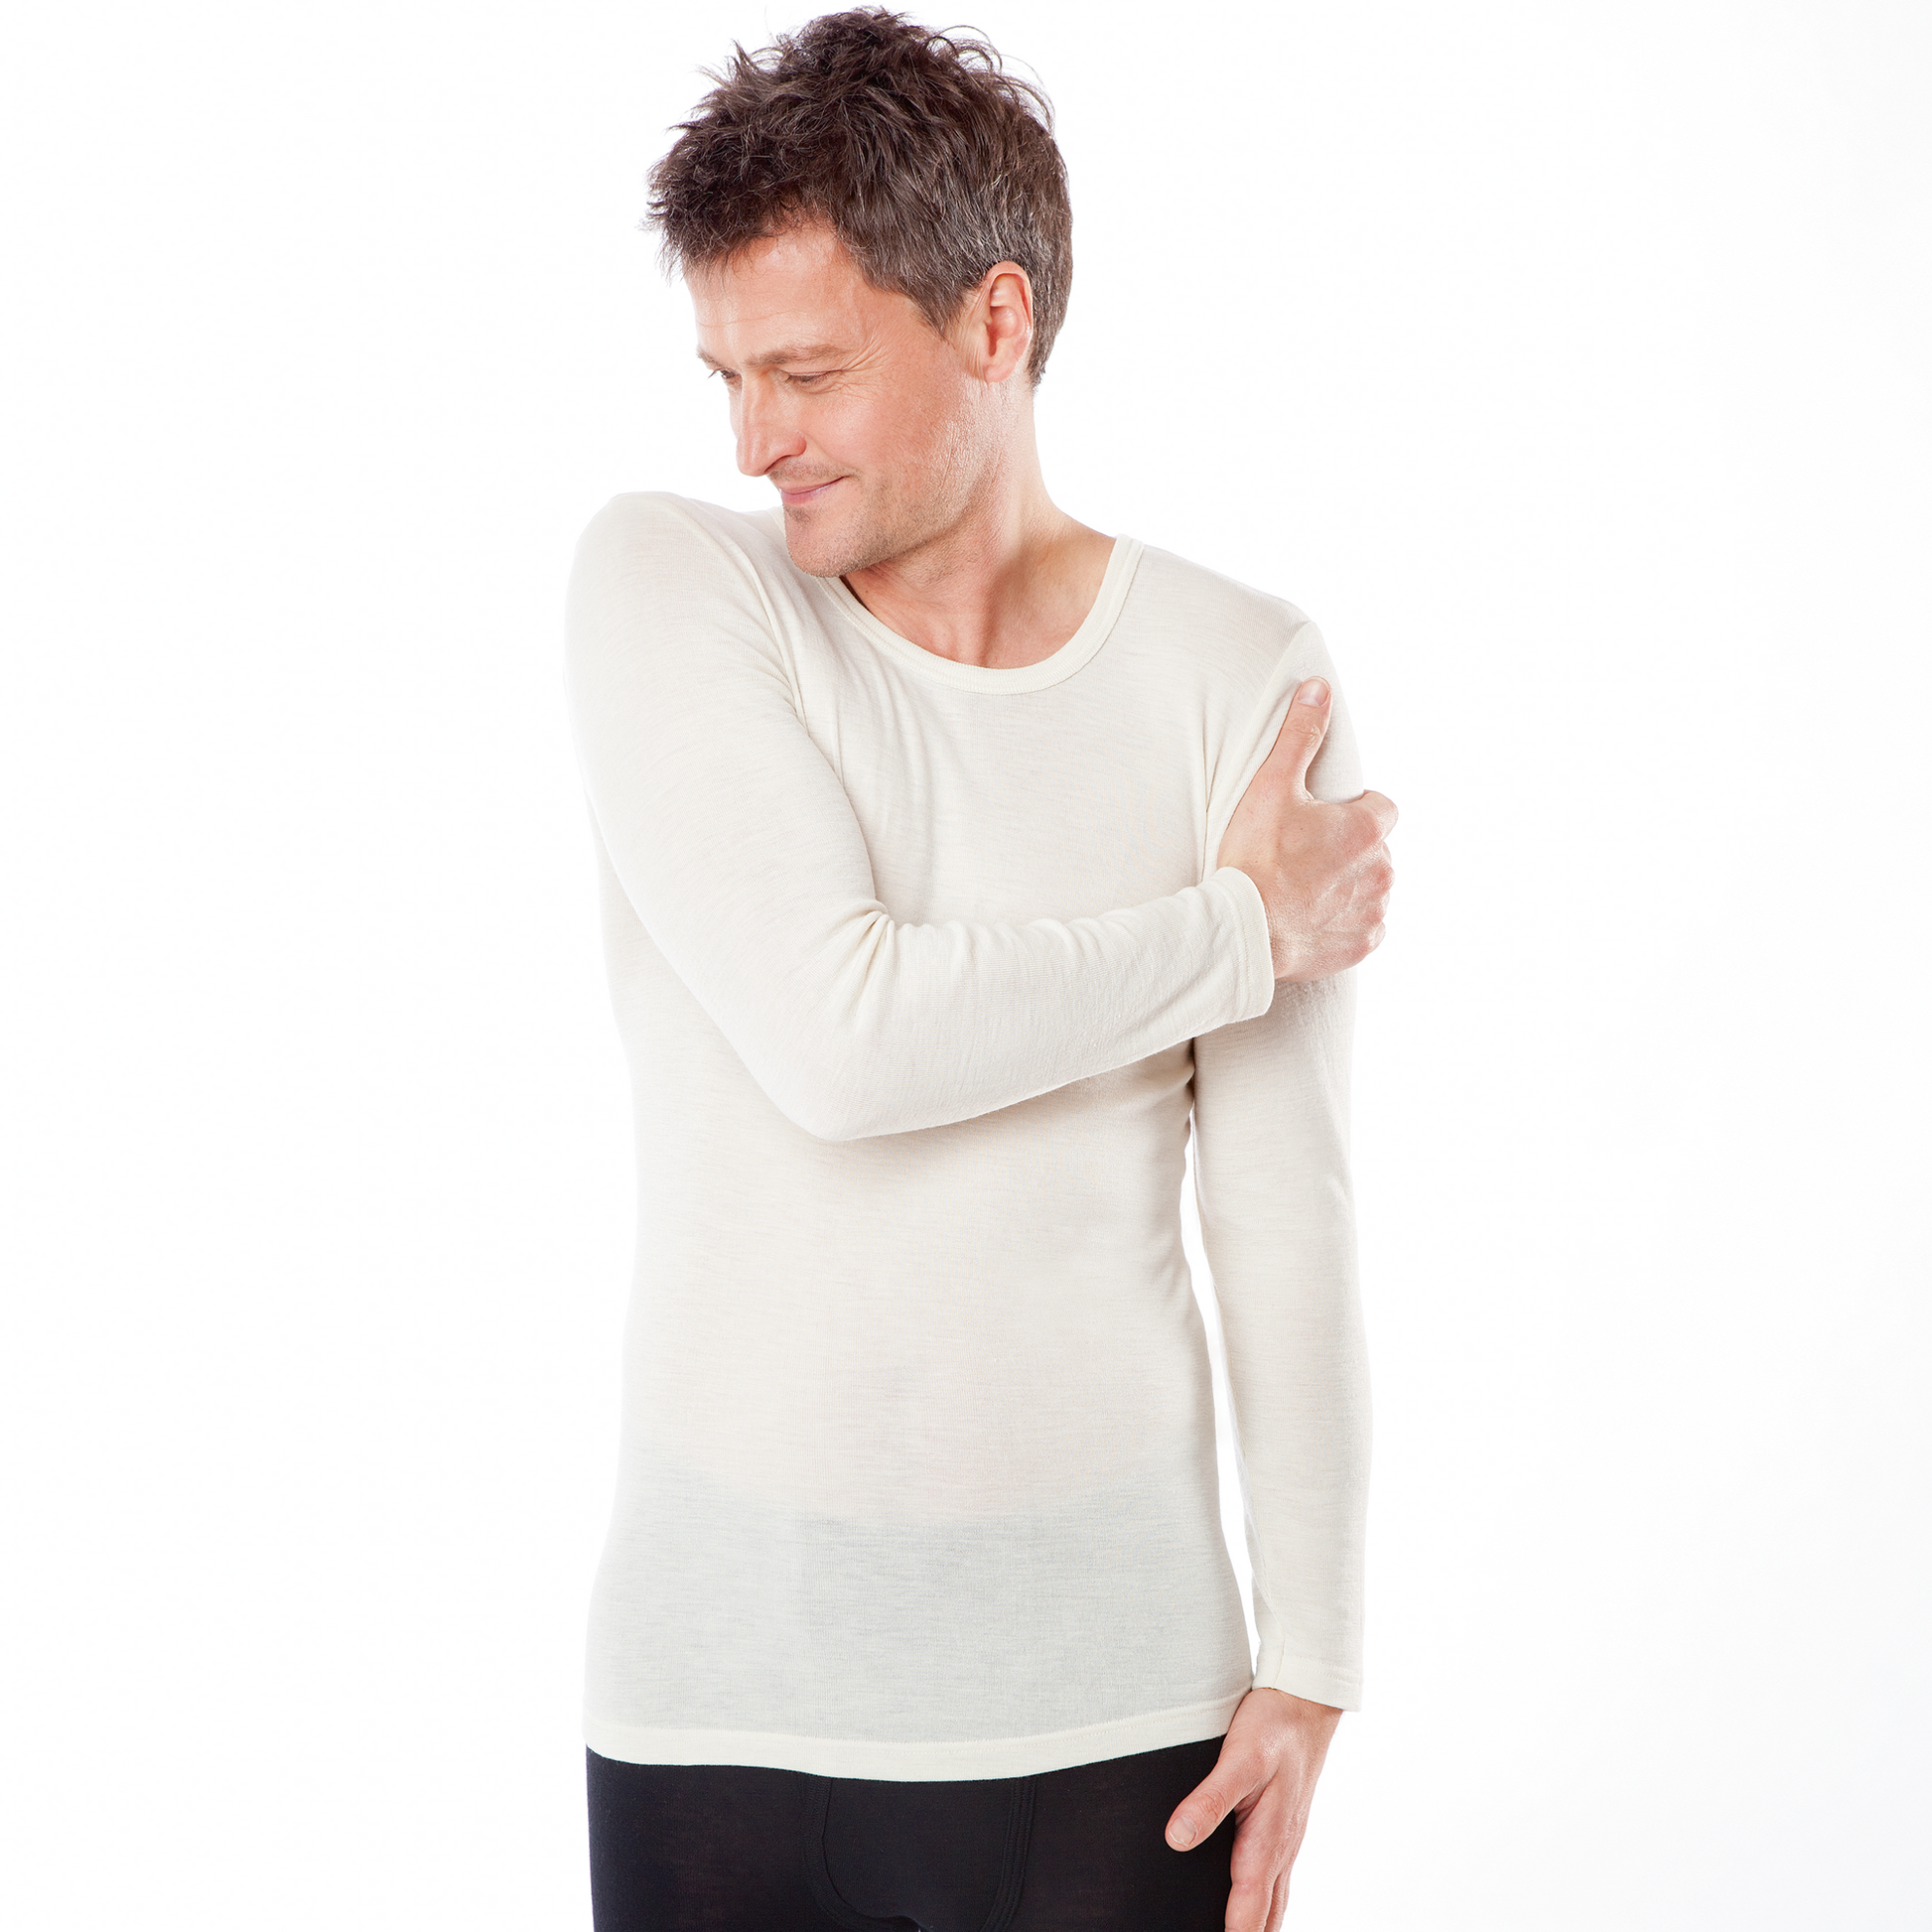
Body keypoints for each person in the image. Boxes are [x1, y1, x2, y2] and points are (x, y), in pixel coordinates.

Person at [562, 11, 1397, 1929]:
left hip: (1117, 1704)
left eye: (807, 371)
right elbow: (838, 1037)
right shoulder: (671, 587)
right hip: (717, 1696)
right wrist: (1235, 930)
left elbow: (1285, 1208)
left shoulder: (1236, 672)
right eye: (725, 374)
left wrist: (1314, 1654)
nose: (753, 437)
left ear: (994, 321)